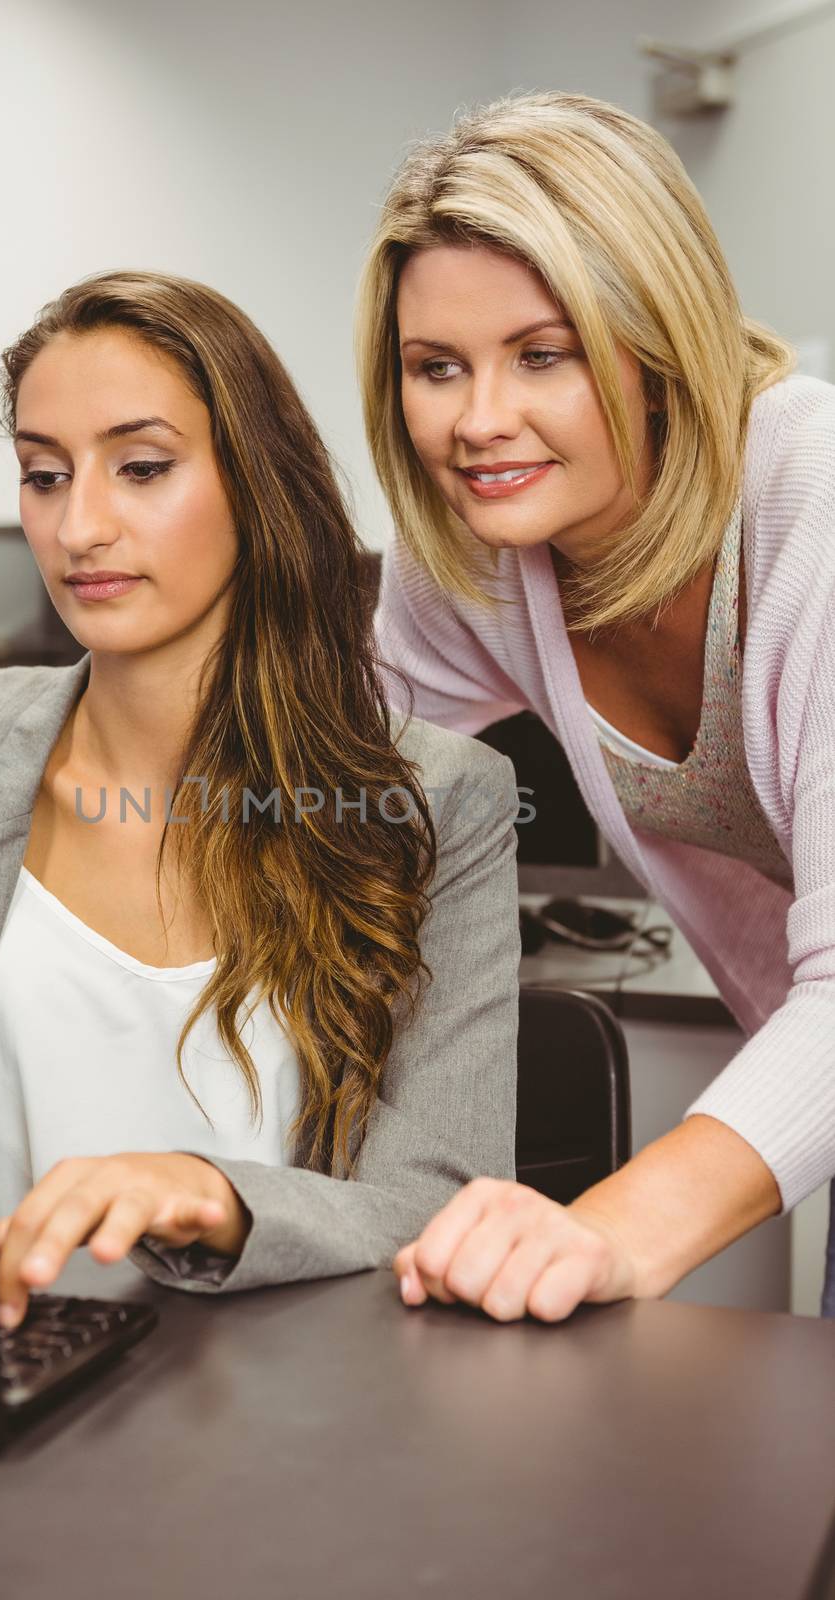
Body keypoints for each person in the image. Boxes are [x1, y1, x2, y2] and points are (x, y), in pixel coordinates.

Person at [0, 269, 520, 1329]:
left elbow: (435, 1204)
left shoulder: (439, 802)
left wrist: (214, 1193)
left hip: (278, 1414)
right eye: (43, 474)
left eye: (141, 468)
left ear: (252, 484)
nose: (77, 527)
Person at [356, 90, 835, 1321]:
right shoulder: (479, 559)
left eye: (541, 354)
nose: (476, 422)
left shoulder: (810, 508)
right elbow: (341, 811)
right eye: (434, 368)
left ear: (655, 342)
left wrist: (603, 1232)